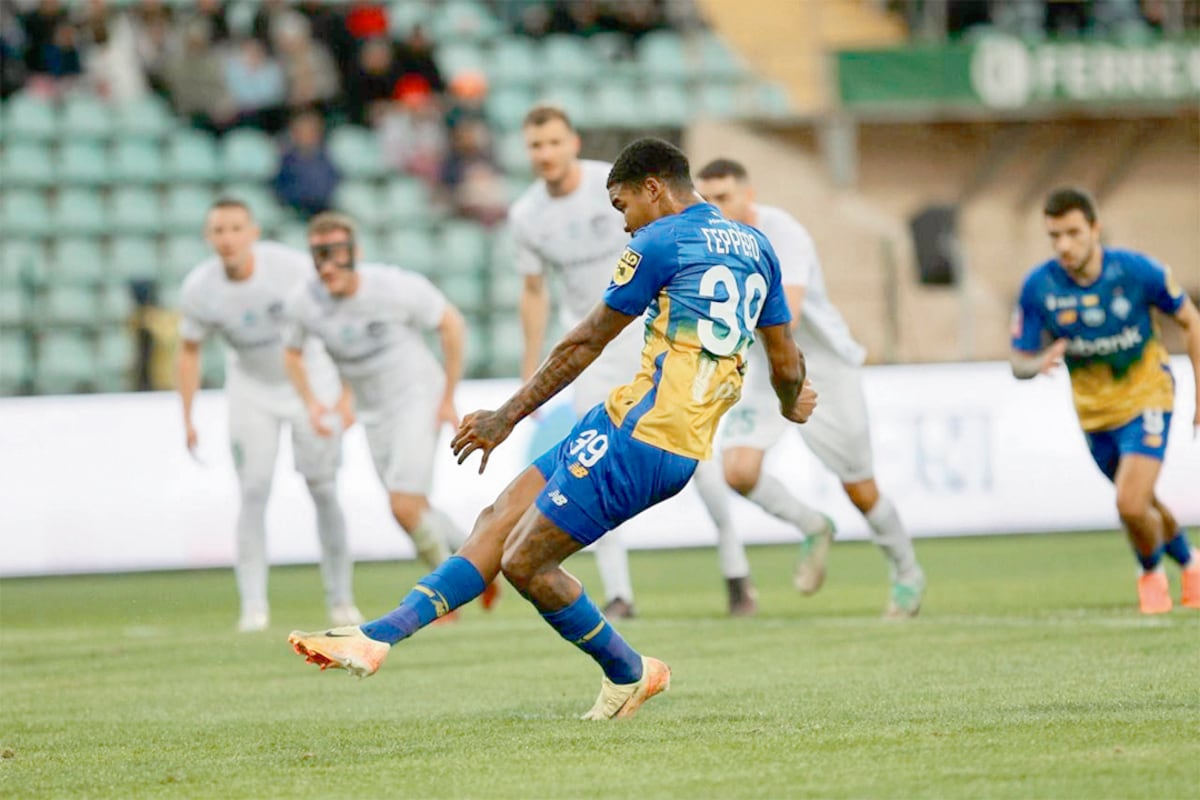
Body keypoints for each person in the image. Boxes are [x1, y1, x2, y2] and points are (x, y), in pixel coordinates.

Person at [287, 138, 817, 720]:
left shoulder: (660, 241)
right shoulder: (756, 246)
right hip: (629, 420)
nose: (624, 224)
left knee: (524, 562)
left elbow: (586, 340)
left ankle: (631, 672)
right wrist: (792, 402)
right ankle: (375, 636)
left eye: (622, 208)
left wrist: (504, 416)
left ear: (653, 189)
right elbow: (786, 361)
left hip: (647, 440)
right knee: (497, 520)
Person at [508, 106, 758, 617]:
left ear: (573, 142)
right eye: (535, 146)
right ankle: (619, 592)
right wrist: (531, 364)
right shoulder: (526, 215)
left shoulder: (617, 184)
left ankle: (736, 573)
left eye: (553, 142)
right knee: (587, 459)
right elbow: (534, 292)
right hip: (590, 344)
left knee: (698, 458)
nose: (545, 154)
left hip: (654, 336)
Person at [696, 159, 926, 618]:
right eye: (706, 200)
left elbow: (789, 318)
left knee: (860, 487)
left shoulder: (783, 233)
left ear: (748, 195)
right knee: (737, 471)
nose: (715, 209)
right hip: (760, 364)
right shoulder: (705, 243)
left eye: (724, 198)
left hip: (819, 364)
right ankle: (812, 526)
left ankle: (906, 572)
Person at [281, 211, 489, 617]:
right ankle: (480, 558)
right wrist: (319, 401)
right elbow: (293, 351)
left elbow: (452, 324)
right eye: (318, 255)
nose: (327, 265)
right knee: (413, 505)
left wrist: (448, 396)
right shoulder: (305, 302)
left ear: (355, 252)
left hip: (416, 397)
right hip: (372, 411)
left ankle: (448, 597)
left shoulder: (393, 287)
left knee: (403, 504)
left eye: (336, 253)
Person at [1011, 187, 1200, 614]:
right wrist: (1038, 361)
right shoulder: (1039, 287)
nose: (1063, 245)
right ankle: (1190, 562)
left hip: (1148, 394)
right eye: (1054, 236)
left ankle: (1149, 573)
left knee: (1130, 503)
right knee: (1144, 505)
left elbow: (1191, 320)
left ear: (1095, 229)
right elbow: (1018, 363)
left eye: (1073, 233)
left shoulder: (1136, 272)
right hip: (1095, 414)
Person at [177, 198, 360, 632]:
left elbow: (341, 319)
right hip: (251, 389)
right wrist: (186, 416)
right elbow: (188, 350)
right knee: (253, 490)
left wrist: (346, 393)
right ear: (208, 237)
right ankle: (254, 608)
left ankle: (341, 601)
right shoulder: (200, 288)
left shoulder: (292, 270)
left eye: (236, 228)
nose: (227, 239)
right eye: (218, 230)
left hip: (311, 383)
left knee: (323, 488)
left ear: (254, 232)